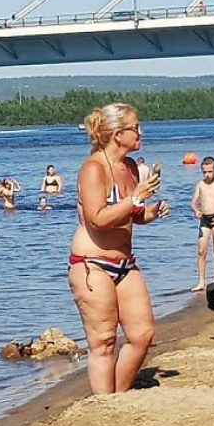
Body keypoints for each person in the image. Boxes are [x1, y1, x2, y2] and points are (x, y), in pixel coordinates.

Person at [68, 103, 168, 394]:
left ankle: (117, 397)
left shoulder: (131, 167)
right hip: (92, 265)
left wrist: (151, 210)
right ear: (116, 134)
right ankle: (104, 404)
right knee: (104, 342)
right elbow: (97, 219)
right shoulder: (93, 168)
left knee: (142, 334)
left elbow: (132, 214)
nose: (141, 132)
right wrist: (136, 199)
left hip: (124, 264)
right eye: (135, 127)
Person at [190, 156, 214, 292]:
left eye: (210, 172)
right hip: (204, 219)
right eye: (205, 172)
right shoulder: (200, 185)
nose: (207, 175)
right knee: (201, 250)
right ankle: (201, 281)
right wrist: (196, 210)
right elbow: (194, 202)